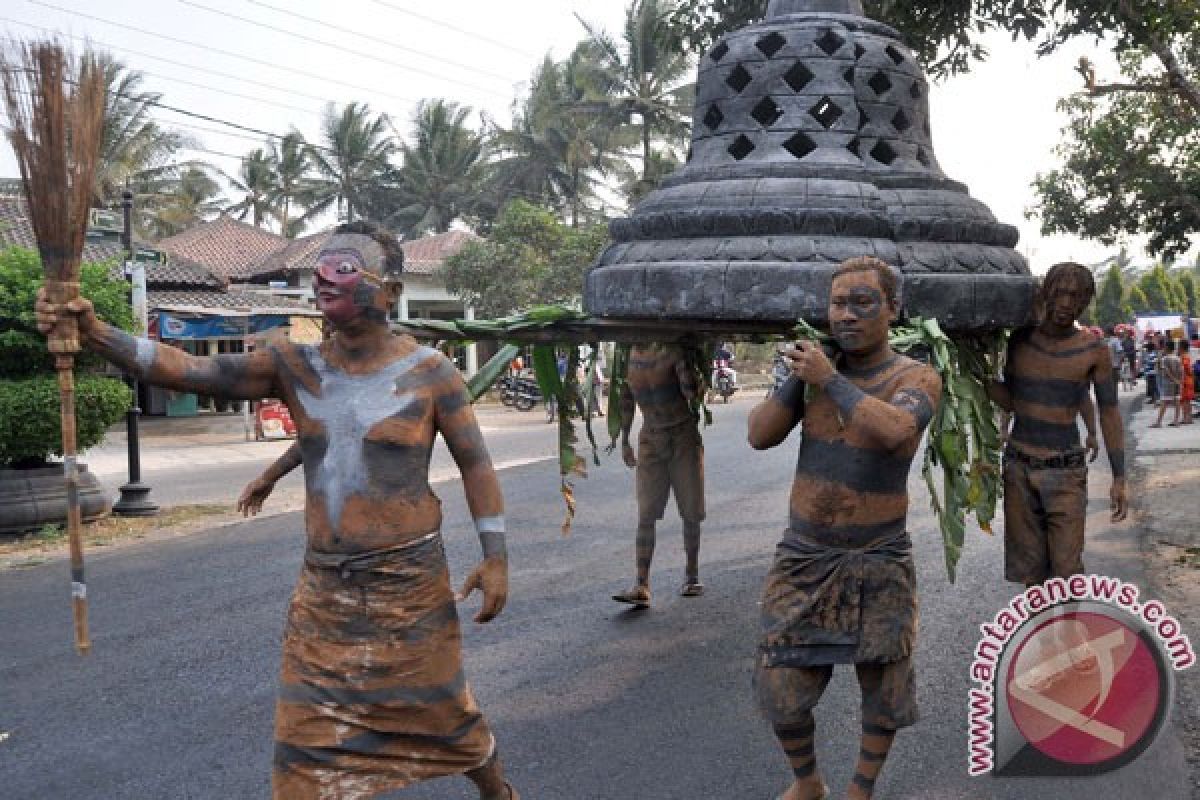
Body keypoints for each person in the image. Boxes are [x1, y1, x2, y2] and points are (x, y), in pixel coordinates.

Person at [37, 222, 519, 800]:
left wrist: (496, 557)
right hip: (324, 593)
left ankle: (494, 785)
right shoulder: (292, 364)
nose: (322, 280)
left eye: (343, 269)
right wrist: (92, 331)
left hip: (409, 586)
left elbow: (477, 465)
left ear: (388, 292)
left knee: (445, 717)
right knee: (304, 746)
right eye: (319, 269)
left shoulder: (432, 373)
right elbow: (187, 369)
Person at [747, 256, 941, 800]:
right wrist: (796, 380)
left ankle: (860, 790)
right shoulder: (809, 377)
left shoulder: (917, 375)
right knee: (778, 682)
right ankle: (808, 783)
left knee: (884, 686)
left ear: (892, 309)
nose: (847, 315)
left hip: (879, 556)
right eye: (838, 304)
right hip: (804, 556)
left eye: (863, 303)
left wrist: (830, 380)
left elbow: (897, 432)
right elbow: (759, 437)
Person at [987, 262, 1128, 590]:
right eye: (1060, 293)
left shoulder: (1094, 351)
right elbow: (1014, 402)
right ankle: (1038, 639)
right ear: (1046, 293)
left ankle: (1067, 637)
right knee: (1031, 575)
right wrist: (978, 378)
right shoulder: (1020, 341)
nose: (1067, 303)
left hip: (1066, 475)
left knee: (1066, 575)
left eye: (1076, 297)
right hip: (1019, 469)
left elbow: (1109, 412)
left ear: (1085, 302)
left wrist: (1120, 477)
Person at [613, 342, 706, 607]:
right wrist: (624, 440)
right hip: (650, 437)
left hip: (682, 434)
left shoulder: (673, 351)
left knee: (690, 510)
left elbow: (693, 394)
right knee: (645, 513)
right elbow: (627, 399)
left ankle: (691, 575)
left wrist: (684, 366)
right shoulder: (628, 355)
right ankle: (642, 584)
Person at [1151, 340, 1182, 428]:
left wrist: (1173, 379)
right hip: (1177, 383)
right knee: (1177, 401)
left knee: (1164, 402)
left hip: (1168, 383)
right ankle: (1176, 421)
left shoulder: (1165, 359)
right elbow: (1181, 370)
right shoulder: (1177, 358)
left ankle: (1158, 422)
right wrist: (1179, 381)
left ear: (1167, 348)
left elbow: (1166, 371)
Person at [1180, 339, 1194, 424]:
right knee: (1188, 400)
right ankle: (1189, 418)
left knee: (1184, 400)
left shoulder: (1184, 357)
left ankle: (1185, 418)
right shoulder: (1187, 356)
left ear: (1181, 347)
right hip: (1189, 380)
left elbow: (1187, 369)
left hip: (1185, 380)